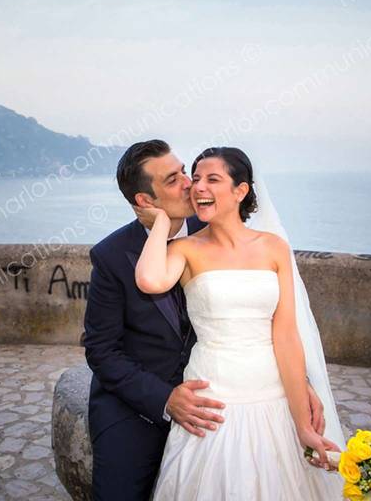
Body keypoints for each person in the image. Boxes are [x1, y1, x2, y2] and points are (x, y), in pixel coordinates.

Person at [84, 140, 333, 501]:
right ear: (145, 201)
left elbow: (277, 329)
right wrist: (165, 399)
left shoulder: (246, 235)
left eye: (187, 172)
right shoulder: (112, 255)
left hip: (243, 388)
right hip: (142, 402)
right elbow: (102, 351)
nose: (190, 184)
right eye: (174, 179)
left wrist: (298, 382)